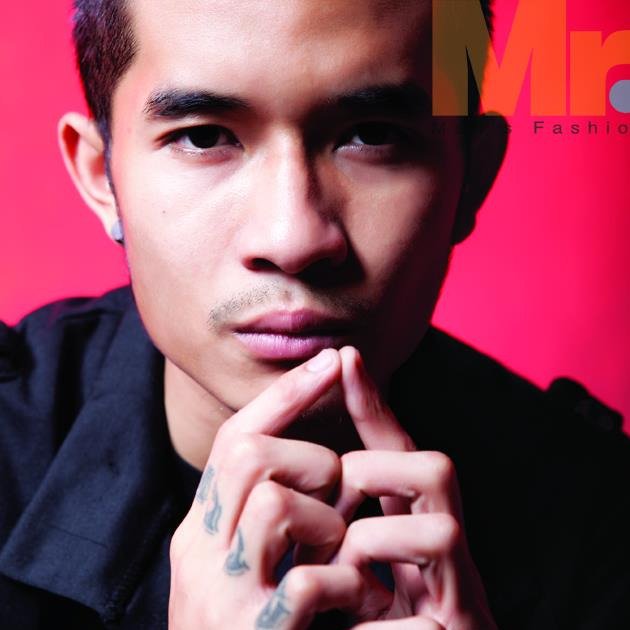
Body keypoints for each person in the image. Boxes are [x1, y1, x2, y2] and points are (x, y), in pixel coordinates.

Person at [0, 0, 628, 628]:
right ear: (101, 176)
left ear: (473, 177)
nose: (293, 238)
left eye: (373, 135)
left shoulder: (600, 515)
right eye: (204, 137)